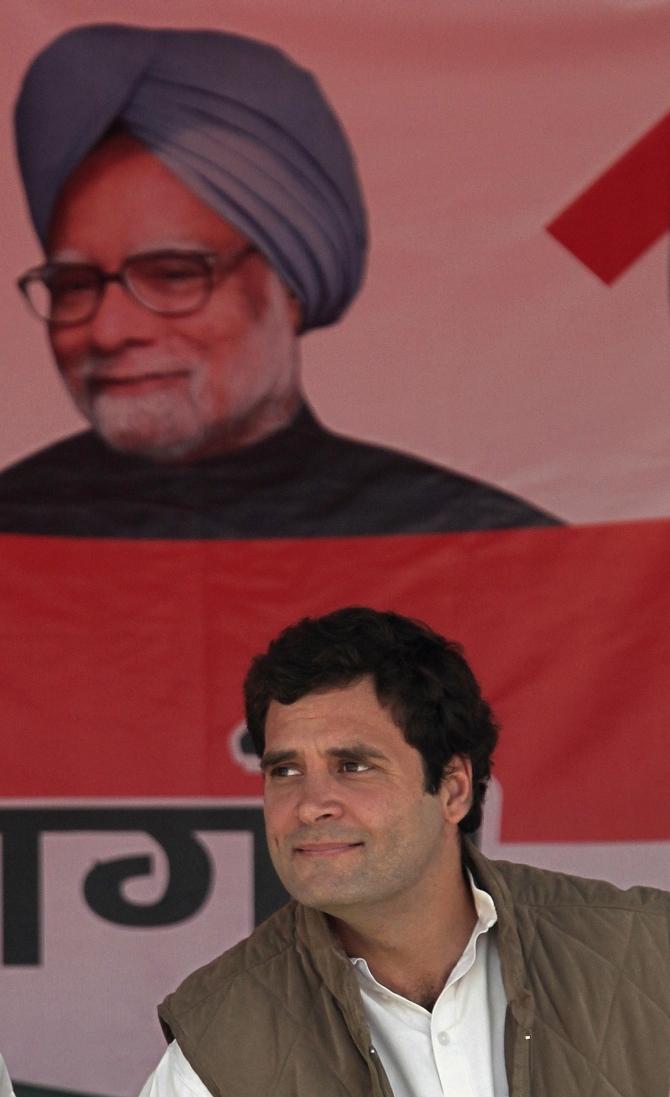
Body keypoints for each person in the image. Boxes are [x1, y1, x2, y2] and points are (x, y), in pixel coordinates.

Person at [1, 23, 558, 538]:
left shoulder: (479, 545)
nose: (108, 331)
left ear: (288, 289)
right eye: (73, 286)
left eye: (173, 276)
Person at [140, 606, 670, 1097]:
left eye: (354, 766)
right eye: (286, 770)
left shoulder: (651, 955)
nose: (309, 806)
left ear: (453, 789)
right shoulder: (214, 1044)